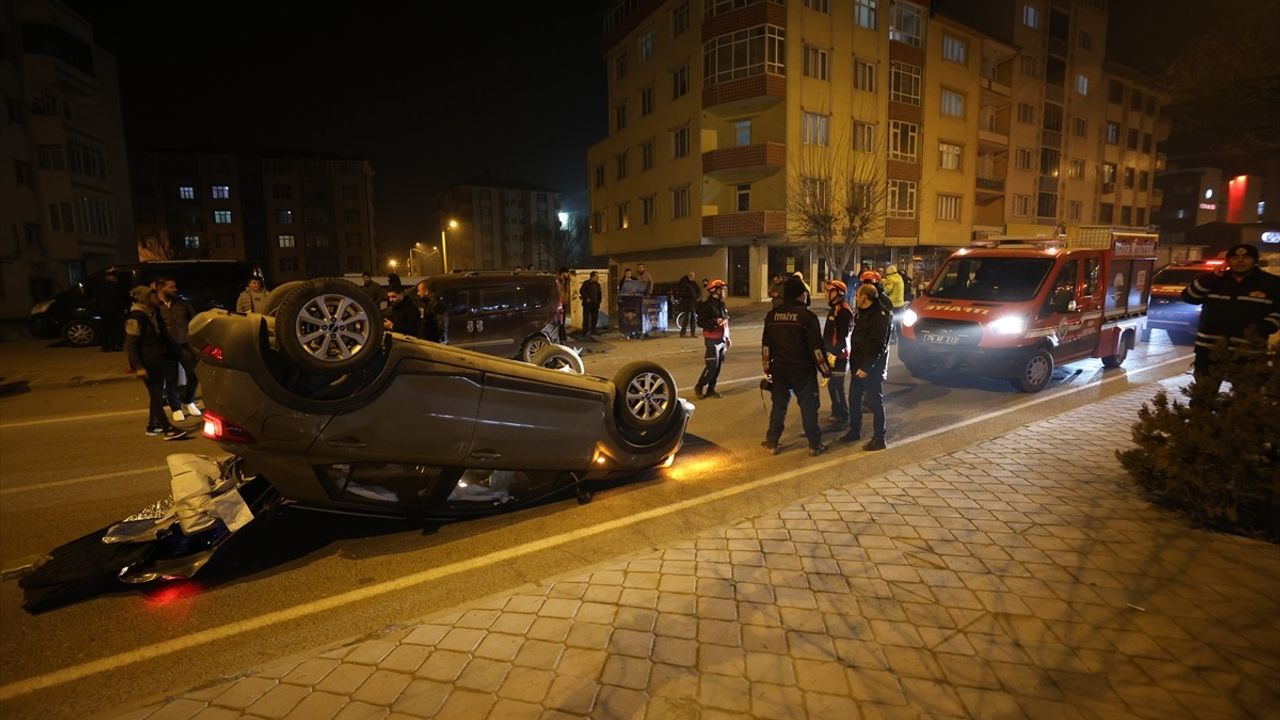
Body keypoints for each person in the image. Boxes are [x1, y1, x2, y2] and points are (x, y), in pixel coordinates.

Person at [1181, 243, 1280, 388]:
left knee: (1246, 399)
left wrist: (1264, 327)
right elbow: (1189, 297)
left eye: (1245, 257)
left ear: (1254, 260)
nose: (1240, 261)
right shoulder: (1214, 280)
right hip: (1209, 351)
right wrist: (1210, 278)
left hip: (1248, 352)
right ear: (1228, 261)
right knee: (1203, 396)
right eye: (1235, 257)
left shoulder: (1271, 283)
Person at [761, 277, 832, 456]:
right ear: (801, 295)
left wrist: (767, 368)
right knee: (809, 407)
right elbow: (816, 348)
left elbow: (766, 346)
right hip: (803, 370)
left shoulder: (772, 316)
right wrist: (825, 371)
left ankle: (772, 442)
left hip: (780, 370)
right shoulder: (807, 317)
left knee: (779, 406)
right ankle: (815, 445)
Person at [124, 286, 188, 441]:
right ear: (143, 299)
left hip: (158, 360)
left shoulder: (153, 313)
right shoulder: (136, 318)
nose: (156, 298)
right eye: (152, 296)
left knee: (157, 393)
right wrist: (139, 367)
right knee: (156, 393)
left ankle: (153, 426)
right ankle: (168, 429)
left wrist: (175, 351)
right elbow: (130, 345)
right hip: (147, 363)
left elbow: (163, 335)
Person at [842, 284, 893, 450]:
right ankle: (854, 430)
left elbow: (879, 345)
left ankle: (880, 438)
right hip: (857, 363)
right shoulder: (861, 313)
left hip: (871, 367)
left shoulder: (881, 315)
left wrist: (866, 367)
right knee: (854, 399)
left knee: (874, 402)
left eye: (857, 295)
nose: (855, 297)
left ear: (865, 297)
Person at [155, 277, 202, 423]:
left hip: (184, 344)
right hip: (166, 348)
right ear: (160, 288)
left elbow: (194, 321)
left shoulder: (182, 304)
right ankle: (175, 408)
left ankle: (189, 401)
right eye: (171, 287)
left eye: (175, 287)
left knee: (195, 374)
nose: (175, 290)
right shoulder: (156, 306)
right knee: (171, 378)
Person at [822, 280, 854, 424]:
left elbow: (842, 336)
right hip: (832, 354)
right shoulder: (835, 309)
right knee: (832, 384)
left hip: (839, 355)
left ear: (838, 293)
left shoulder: (843, 311)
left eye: (828, 291)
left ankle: (843, 413)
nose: (825, 294)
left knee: (836, 385)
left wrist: (833, 353)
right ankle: (838, 411)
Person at [694, 279, 731, 398]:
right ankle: (699, 386)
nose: (724, 291)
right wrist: (714, 322)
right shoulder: (707, 305)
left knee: (718, 367)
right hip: (712, 339)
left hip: (722, 339)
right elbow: (700, 322)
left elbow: (725, 322)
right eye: (722, 289)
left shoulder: (721, 304)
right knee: (712, 366)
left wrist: (728, 337)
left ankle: (711, 389)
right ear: (716, 290)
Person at [93, 274, 125, 352]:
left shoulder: (101, 287)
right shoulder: (110, 287)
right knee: (113, 329)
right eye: (113, 277)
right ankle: (112, 346)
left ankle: (106, 346)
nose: (116, 279)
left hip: (104, 311)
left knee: (106, 329)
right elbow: (114, 298)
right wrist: (119, 308)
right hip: (111, 311)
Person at [676, 271, 700, 337]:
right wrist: (691, 295)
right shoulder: (684, 283)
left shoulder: (693, 283)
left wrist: (696, 297)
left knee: (693, 318)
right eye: (692, 275)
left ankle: (693, 333)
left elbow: (697, 291)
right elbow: (682, 293)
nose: (693, 276)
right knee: (687, 318)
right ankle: (683, 333)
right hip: (687, 303)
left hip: (692, 302)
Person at [579, 270, 603, 337]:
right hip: (587, 305)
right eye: (596, 276)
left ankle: (593, 331)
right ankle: (584, 332)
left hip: (595, 304)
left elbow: (599, 294)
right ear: (592, 277)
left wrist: (599, 302)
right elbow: (581, 291)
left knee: (594, 318)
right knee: (586, 318)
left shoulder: (597, 284)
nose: (598, 278)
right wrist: (587, 298)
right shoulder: (586, 283)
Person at [556, 267, 573, 342]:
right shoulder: (557, 281)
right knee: (560, 321)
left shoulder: (566, 281)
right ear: (563, 273)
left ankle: (562, 337)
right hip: (559, 303)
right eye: (567, 273)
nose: (568, 274)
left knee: (563, 320)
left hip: (564, 303)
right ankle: (561, 337)